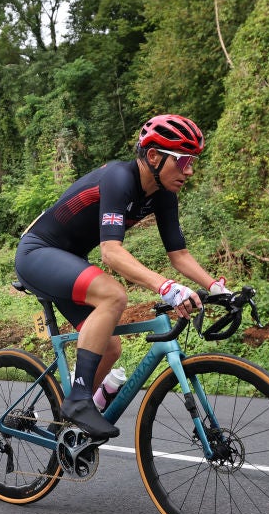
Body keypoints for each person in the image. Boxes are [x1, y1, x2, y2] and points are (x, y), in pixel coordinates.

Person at [14, 114, 231, 439]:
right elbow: (111, 253)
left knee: (111, 347)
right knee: (114, 294)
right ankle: (78, 401)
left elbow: (179, 255)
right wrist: (166, 287)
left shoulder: (163, 193)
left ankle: (63, 424)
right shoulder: (119, 177)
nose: (189, 170)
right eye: (183, 160)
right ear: (154, 156)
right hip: (38, 253)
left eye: (193, 162)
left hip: (69, 260)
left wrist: (216, 287)